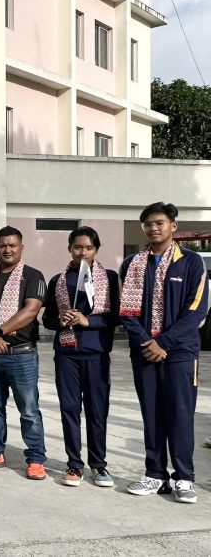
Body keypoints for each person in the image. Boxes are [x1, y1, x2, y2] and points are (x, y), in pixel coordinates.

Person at [119, 202, 208, 503]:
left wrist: (164, 343)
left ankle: (184, 478)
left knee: (180, 415)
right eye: (148, 224)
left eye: (159, 222)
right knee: (152, 415)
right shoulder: (132, 264)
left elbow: (196, 310)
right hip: (144, 351)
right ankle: (155, 475)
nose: (153, 228)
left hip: (180, 353)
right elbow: (126, 311)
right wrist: (147, 342)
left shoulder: (191, 262)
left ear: (173, 226)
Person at [42, 226, 119, 488]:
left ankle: (98, 465)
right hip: (67, 354)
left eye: (88, 248)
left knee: (97, 411)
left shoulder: (109, 278)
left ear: (96, 250)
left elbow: (117, 316)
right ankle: (74, 464)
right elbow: (47, 318)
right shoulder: (58, 280)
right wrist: (60, 320)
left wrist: (89, 321)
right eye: (78, 247)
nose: (83, 252)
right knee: (69, 409)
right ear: (70, 248)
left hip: (96, 353)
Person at [0, 226, 47, 480]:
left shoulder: (32, 275)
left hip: (21, 355)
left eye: (12, 245)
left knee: (29, 410)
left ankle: (36, 459)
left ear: (21, 247)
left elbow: (31, 310)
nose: (8, 249)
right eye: (3, 245)